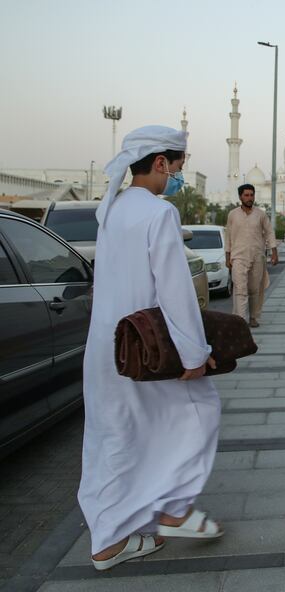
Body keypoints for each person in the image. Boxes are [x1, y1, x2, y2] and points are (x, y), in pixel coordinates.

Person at [79, 126, 223, 571]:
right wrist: (195, 356)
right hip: (143, 349)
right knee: (200, 411)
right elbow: (175, 290)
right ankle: (173, 512)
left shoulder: (114, 209)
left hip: (107, 346)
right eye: (178, 167)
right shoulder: (158, 214)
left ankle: (112, 538)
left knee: (116, 437)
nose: (177, 177)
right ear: (160, 163)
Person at [225, 184, 278, 328]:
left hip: (257, 256)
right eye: (246, 195)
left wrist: (274, 252)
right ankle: (241, 320)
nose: (249, 198)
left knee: (254, 289)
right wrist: (227, 256)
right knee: (240, 289)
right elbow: (228, 236)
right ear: (240, 197)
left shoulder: (260, 214)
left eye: (251, 195)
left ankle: (254, 317)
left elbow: (269, 232)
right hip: (238, 257)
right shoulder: (233, 215)